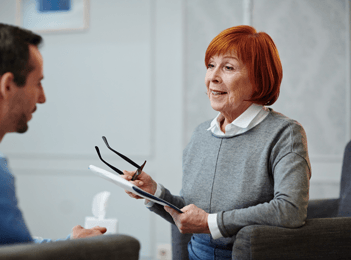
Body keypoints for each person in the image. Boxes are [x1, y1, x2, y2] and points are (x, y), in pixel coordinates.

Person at [123, 25, 311, 259]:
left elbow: (289, 210)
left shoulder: (284, 133)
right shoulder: (202, 133)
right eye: (211, 65)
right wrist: (153, 192)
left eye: (228, 67)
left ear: (258, 78)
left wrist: (210, 222)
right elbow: (191, 214)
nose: (212, 77)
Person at [0, 23, 106, 248]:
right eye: (38, 83)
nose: (42, 98)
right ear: (7, 86)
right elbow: (20, 255)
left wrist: (67, 243)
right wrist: (75, 248)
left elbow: (3, 246)